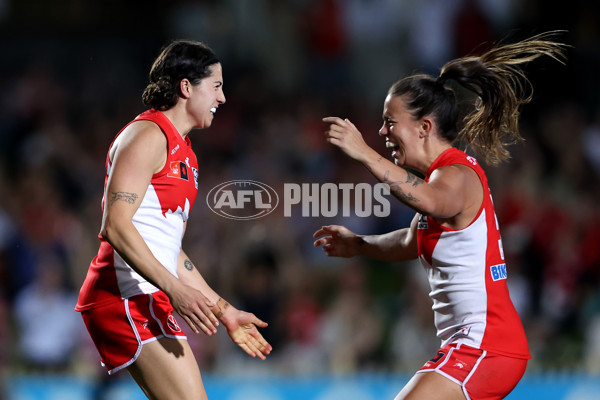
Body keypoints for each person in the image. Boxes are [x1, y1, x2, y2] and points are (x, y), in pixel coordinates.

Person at [314, 32, 566, 400]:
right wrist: (358, 244)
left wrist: (365, 154)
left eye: (389, 122)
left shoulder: (456, 175)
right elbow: (410, 240)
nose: (383, 131)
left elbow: (430, 202)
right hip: (473, 347)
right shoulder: (441, 180)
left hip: (486, 346)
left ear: (424, 128)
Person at [75, 40, 272, 400]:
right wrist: (174, 289)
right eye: (216, 86)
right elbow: (115, 225)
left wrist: (224, 310)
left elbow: (169, 250)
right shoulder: (147, 135)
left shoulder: (187, 156)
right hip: (123, 295)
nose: (223, 98)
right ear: (186, 87)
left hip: (147, 295)